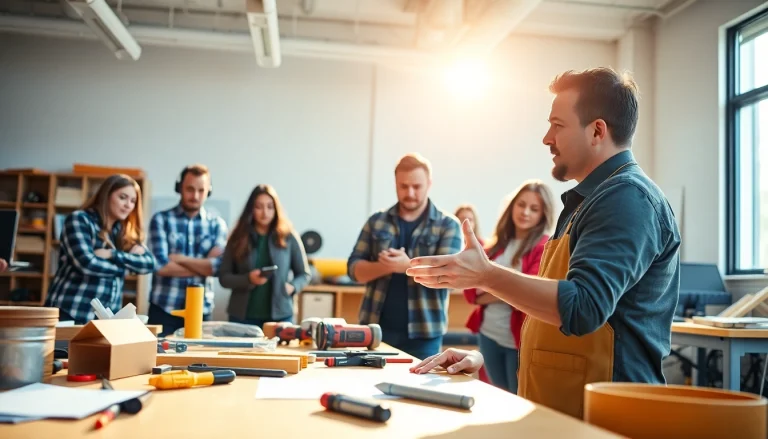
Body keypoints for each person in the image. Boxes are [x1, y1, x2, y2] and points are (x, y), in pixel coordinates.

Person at [406, 67, 681, 419]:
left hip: (607, 416)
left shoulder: (627, 198)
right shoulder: (587, 201)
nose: (547, 138)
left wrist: (487, 276)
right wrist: (484, 361)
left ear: (597, 130)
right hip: (566, 407)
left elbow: (583, 308)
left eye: (558, 125)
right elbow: (548, 323)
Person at [347, 153, 462, 360]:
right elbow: (354, 270)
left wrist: (406, 265)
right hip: (375, 331)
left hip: (425, 335)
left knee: (419, 391)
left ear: (429, 184)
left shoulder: (448, 225)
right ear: (395, 184)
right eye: (403, 186)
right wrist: (387, 267)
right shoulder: (376, 221)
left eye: (416, 187)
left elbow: (451, 276)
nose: (410, 193)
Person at [463, 180, 553, 393]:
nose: (525, 212)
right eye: (521, 204)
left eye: (534, 208)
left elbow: (528, 292)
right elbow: (470, 292)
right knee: (495, 397)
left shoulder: (543, 246)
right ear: (512, 206)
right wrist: (509, 284)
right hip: (488, 334)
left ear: (543, 214)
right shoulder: (494, 245)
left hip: (518, 340)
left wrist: (488, 283)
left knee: (518, 397)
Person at [45, 174, 157, 324]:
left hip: (104, 320)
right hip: (70, 312)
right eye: (122, 197)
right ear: (106, 195)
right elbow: (87, 263)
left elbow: (149, 263)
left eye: (133, 201)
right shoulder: (80, 219)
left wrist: (113, 255)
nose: (128, 205)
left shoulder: (123, 232)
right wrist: (126, 267)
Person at [148, 164, 228, 336]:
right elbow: (160, 267)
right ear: (180, 188)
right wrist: (203, 264)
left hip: (201, 312)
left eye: (201, 190)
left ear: (209, 191)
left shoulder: (217, 225)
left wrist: (179, 259)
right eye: (190, 189)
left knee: (198, 361)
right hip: (164, 310)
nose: (195, 195)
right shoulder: (161, 220)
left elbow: (217, 268)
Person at [219, 184, 311, 328]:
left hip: (280, 317)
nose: (265, 212)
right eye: (259, 207)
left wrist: (292, 287)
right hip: (242, 318)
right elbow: (224, 278)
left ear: (276, 209)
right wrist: (248, 279)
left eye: (270, 207)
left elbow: (304, 274)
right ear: (251, 209)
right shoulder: (238, 237)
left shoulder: (288, 236)